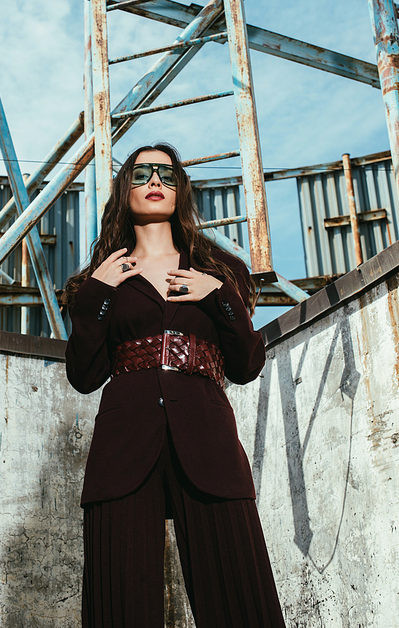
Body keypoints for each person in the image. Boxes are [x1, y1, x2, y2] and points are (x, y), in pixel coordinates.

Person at [64, 143, 286, 628]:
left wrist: (220, 296)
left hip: (208, 442)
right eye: (141, 172)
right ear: (126, 189)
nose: (154, 180)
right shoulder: (97, 281)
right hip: (124, 450)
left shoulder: (221, 271)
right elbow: (83, 376)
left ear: (180, 187)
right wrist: (98, 293)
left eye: (166, 172)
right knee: (119, 607)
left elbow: (247, 365)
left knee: (241, 600)